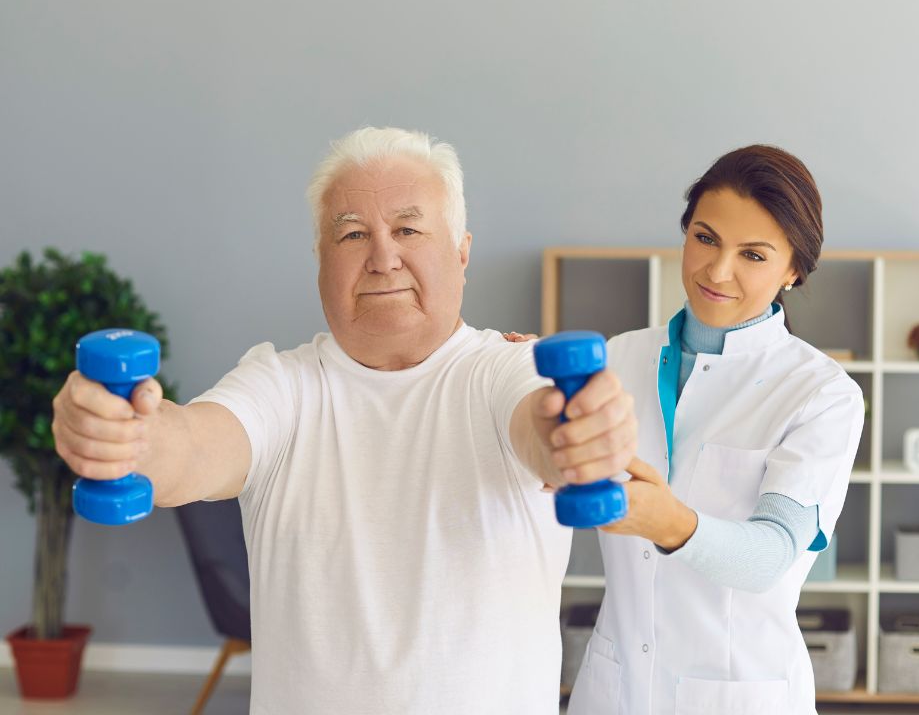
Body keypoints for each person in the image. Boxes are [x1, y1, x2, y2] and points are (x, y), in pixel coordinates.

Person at [51, 127, 637, 714]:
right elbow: (191, 447)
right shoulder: (280, 386)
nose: (383, 258)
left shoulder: (507, 371)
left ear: (461, 250)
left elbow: (541, 425)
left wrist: (575, 434)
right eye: (353, 234)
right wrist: (126, 435)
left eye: (408, 229)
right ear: (320, 261)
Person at [567, 146, 865, 715]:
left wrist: (670, 522)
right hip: (616, 685)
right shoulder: (617, 358)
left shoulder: (822, 394)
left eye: (752, 254)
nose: (717, 271)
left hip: (736, 691)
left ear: (793, 270)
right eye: (705, 238)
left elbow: (771, 555)